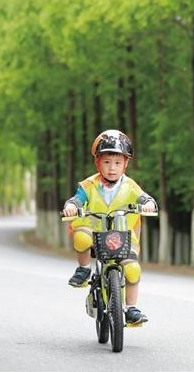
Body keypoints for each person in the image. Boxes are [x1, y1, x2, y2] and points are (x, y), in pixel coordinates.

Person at [62, 129, 157, 325]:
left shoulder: (130, 186)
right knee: (81, 237)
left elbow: (145, 197)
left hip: (122, 235)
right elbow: (77, 199)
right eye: (106, 162)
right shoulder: (89, 185)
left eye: (117, 163)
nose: (112, 168)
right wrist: (72, 206)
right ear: (97, 162)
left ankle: (131, 308)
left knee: (132, 269)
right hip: (94, 231)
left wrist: (148, 203)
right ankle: (83, 269)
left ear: (125, 164)